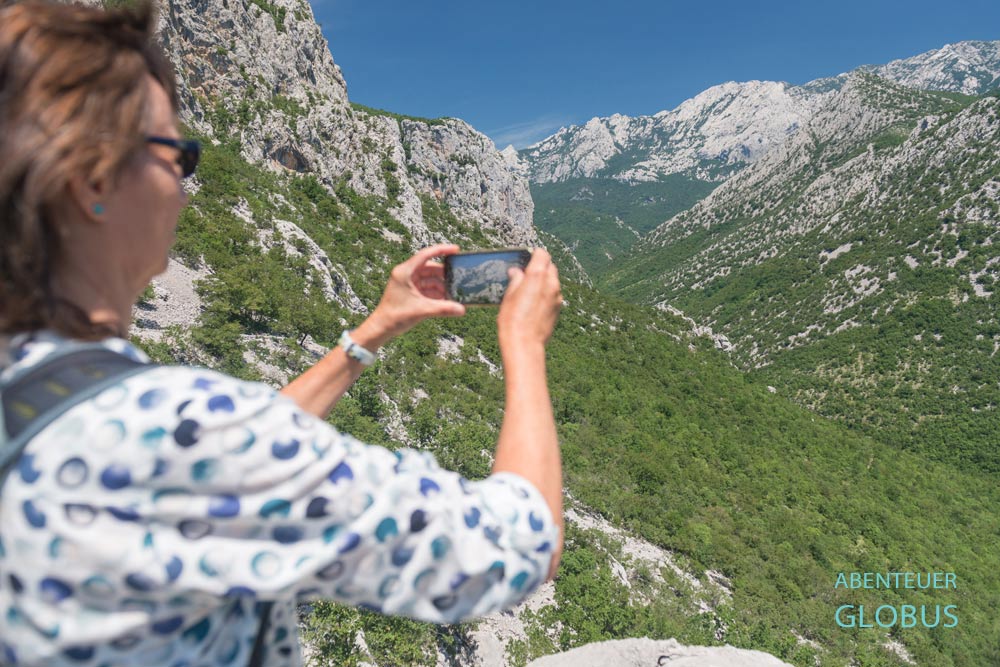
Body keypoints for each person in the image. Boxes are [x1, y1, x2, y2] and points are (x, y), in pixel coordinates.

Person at [0, 1, 564, 665]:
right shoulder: (170, 430)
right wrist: (524, 345)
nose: (187, 185)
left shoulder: (46, 398)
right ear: (92, 177)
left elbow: (231, 452)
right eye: (176, 153)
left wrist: (372, 332)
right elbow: (518, 545)